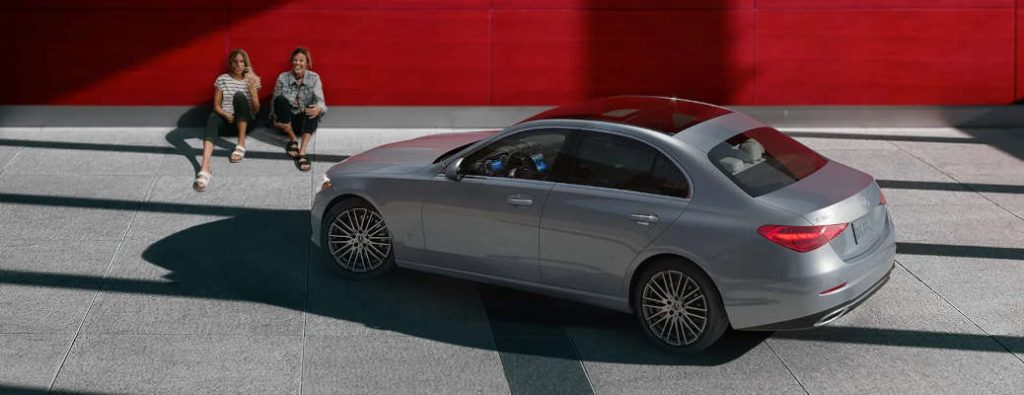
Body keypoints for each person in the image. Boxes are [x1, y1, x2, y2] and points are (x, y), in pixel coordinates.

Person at [193, 49, 261, 191]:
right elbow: (216, 106)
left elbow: (256, 110)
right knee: (212, 117)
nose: (238, 64)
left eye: (241, 61)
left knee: (239, 96)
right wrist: (225, 115)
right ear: (230, 63)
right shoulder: (222, 79)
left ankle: (241, 145)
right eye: (235, 61)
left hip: (245, 121)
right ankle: (205, 167)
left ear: (245, 63)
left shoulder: (251, 80)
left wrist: (252, 91)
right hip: (227, 120)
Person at [271, 46, 326, 172]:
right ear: (292, 61)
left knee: (314, 107)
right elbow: (275, 102)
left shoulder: (314, 78)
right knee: (279, 99)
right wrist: (275, 119)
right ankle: (292, 140)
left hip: (304, 121)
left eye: (301, 60)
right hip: (287, 121)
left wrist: (318, 108)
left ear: (307, 63)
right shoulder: (282, 78)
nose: (298, 63)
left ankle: (302, 152)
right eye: (295, 60)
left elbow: (321, 102)